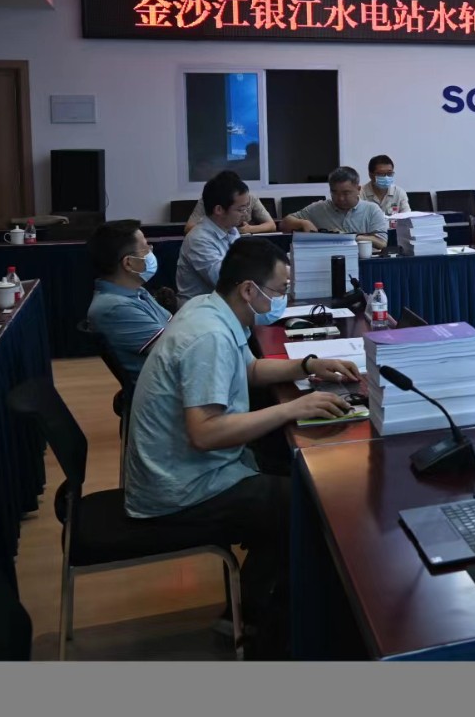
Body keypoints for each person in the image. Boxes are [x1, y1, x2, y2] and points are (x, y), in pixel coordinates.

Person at [124, 237, 359, 652]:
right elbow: (206, 433)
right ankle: (270, 630)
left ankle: (251, 605)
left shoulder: (209, 307)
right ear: (249, 290)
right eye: (280, 290)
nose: (282, 298)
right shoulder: (209, 336)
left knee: (288, 473)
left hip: (189, 468)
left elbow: (248, 369)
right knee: (307, 502)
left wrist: (308, 365)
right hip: (181, 486)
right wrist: (292, 408)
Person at [86, 220, 171, 378]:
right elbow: (174, 349)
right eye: (145, 248)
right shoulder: (115, 308)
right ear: (129, 263)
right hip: (165, 386)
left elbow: (174, 325)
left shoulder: (136, 291)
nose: (150, 252)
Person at [177, 171, 250, 300]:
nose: (245, 214)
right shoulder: (199, 239)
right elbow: (225, 281)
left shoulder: (232, 231)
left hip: (225, 303)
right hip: (200, 308)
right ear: (219, 210)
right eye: (240, 209)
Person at [281, 167, 389, 248]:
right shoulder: (320, 208)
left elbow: (382, 242)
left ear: (358, 189)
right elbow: (284, 224)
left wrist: (347, 237)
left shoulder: (371, 210)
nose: (340, 198)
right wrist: (303, 223)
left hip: (362, 261)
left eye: (346, 193)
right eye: (334, 192)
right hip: (327, 261)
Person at [184, 195, 276, 235]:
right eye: (240, 209)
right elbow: (189, 228)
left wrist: (248, 229)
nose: (244, 212)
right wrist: (220, 229)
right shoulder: (208, 200)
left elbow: (271, 225)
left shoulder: (250, 198)